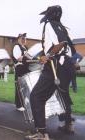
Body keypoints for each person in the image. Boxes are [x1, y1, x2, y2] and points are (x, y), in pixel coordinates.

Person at [25, 5, 76, 140]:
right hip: (67, 66)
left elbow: (61, 43)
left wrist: (46, 56)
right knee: (63, 93)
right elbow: (71, 49)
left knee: (36, 96)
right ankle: (68, 124)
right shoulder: (61, 26)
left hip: (55, 65)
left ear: (50, 15)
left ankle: (41, 133)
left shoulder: (49, 24)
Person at [12, 33, 30, 111]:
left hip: (25, 68)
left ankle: (23, 103)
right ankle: (19, 105)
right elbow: (18, 58)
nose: (24, 40)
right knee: (20, 87)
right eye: (22, 38)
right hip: (20, 68)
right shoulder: (17, 46)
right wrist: (26, 56)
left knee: (25, 87)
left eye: (24, 39)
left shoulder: (25, 47)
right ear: (18, 39)